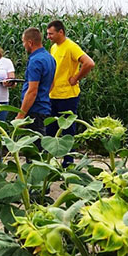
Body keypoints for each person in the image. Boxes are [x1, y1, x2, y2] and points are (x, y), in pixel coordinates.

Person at [46, 20, 95, 166]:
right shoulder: (54, 47)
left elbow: (89, 63)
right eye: (47, 34)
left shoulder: (71, 46)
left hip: (68, 96)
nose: (48, 36)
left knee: (67, 131)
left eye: (51, 34)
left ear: (61, 32)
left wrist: (76, 78)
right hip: (53, 94)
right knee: (51, 131)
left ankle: (68, 162)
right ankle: (51, 160)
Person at [16, 27, 56, 136]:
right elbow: (52, 84)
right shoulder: (50, 58)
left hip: (34, 111)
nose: (23, 45)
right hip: (44, 108)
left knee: (34, 147)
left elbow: (32, 91)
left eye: (24, 42)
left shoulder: (35, 61)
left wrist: (21, 115)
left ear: (30, 43)